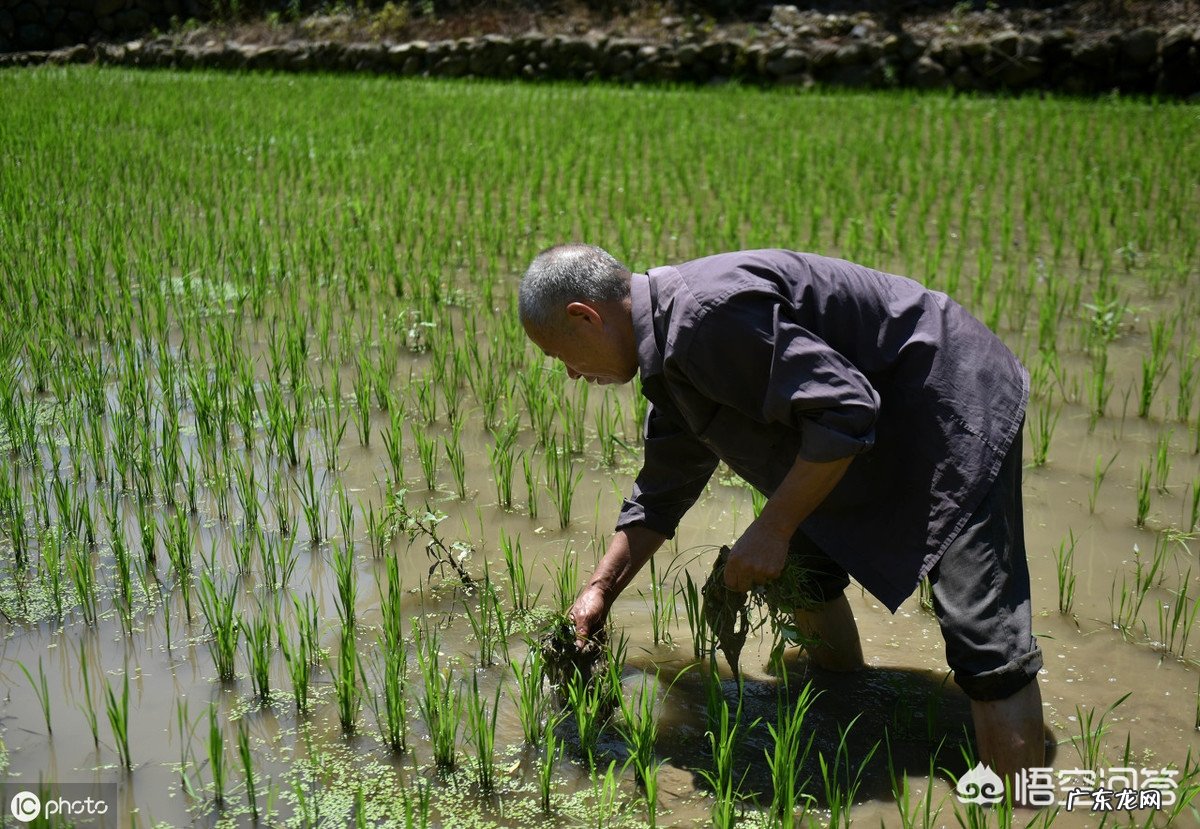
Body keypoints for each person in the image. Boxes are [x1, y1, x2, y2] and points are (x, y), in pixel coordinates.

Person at [518, 243, 1045, 784]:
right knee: (804, 566)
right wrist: (600, 591)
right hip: (876, 420)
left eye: (560, 356)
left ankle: (1022, 801)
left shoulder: (705, 319)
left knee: (983, 640)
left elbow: (846, 409)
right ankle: (845, 700)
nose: (572, 374)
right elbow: (661, 491)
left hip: (952, 403)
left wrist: (773, 528)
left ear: (585, 317)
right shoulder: (669, 355)